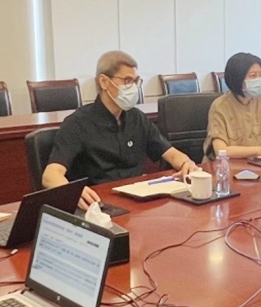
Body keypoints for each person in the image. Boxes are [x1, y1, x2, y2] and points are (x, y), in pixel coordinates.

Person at [42, 50, 198, 210]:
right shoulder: (77, 123)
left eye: (136, 81)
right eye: (127, 80)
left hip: (137, 202)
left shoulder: (137, 118)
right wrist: (75, 192)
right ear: (104, 82)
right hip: (98, 205)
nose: (133, 87)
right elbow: (50, 175)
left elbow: (171, 154)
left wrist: (187, 164)